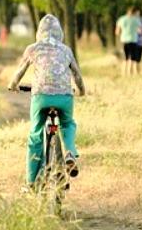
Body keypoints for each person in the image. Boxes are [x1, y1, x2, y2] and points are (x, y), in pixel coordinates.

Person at [8, 14, 85, 190]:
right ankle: (69, 153)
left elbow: (18, 73)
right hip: (65, 97)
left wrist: (13, 86)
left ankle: (31, 182)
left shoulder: (32, 49)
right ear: (60, 33)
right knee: (67, 124)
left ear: (39, 32)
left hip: (41, 97)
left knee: (35, 134)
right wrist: (81, 91)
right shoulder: (66, 50)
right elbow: (77, 76)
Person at [115, 7, 141, 75]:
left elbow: (117, 32)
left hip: (124, 40)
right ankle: (130, 73)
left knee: (125, 57)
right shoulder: (136, 20)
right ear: (134, 12)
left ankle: (123, 73)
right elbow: (140, 31)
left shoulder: (121, 19)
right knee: (132, 57)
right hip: (133, 40)